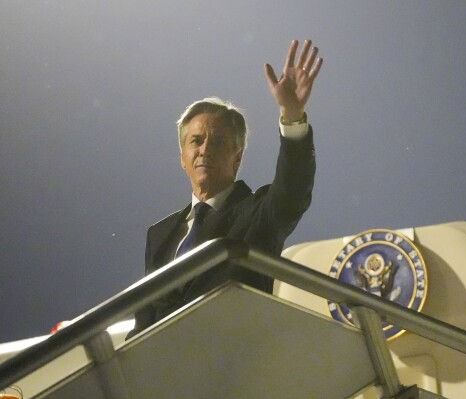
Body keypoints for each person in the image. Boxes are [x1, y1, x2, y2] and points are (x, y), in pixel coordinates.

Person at [127, 39, 323, 338]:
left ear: (237, 157)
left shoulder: (258, 214)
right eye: (196, 141)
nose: (205, 150)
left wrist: (292, 116)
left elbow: (293, 189)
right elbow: (144, 320)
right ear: (182, 156)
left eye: (218, 142)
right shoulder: (160, 235)